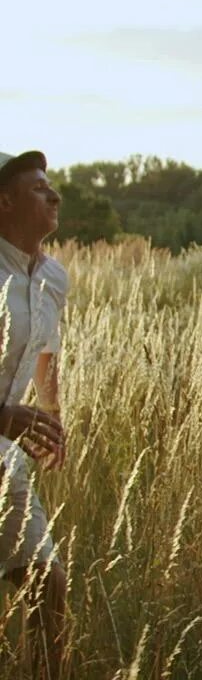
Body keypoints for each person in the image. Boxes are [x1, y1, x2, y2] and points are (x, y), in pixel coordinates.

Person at [0, 150, 70, 680]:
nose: (54, 195)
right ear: (4, 202)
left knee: (47, 582)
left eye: (52, 186)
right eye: (39, 188)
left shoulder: (54, 277)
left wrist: (51, 417)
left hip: (6, 460)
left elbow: (45, 353)